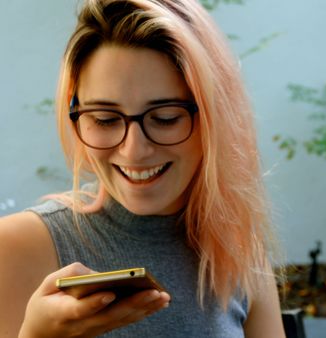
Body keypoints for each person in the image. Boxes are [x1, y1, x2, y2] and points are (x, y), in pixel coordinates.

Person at [0, 0, 286, 336]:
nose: (133, 150)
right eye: (105, 119)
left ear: (214, 119)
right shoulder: (15, 247)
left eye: (165, 118)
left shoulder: (236, 247)